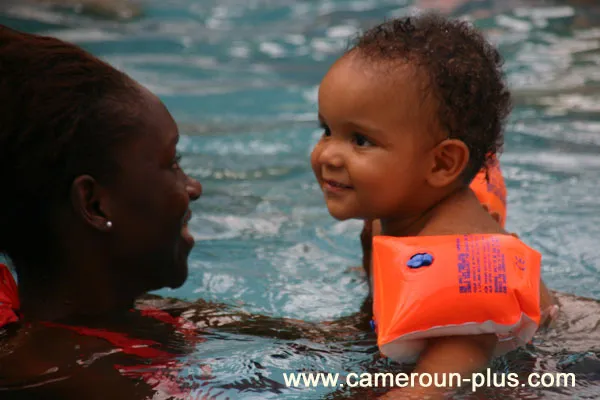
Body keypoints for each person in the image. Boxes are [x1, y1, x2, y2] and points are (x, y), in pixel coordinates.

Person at [0, 25, 361, 399]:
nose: (194, 187)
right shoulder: (72, 375)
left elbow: (348, 348)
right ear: (95, 204)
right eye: (172, 162)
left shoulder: (152, 314)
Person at [310, 13, 557, 398]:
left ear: (441, 164)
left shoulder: (458, 262)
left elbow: (433, 388)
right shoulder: (385, 219)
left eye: (360, 140)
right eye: (327, 130)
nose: (328, 154)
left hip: (563, 364)